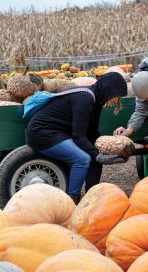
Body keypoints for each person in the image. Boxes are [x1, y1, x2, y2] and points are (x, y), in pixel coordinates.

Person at [27, 72, 128, 204]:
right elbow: (79, 136)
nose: (116, 101)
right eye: (117, 97)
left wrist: (105, 151)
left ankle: (91, 198)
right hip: (42, 132)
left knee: (94, 155)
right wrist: (97, 155)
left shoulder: (95, 100)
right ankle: (72, 202)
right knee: (82, 158)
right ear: (109, 90)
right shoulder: (84, 99)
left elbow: (92, 132)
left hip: (59, 132)